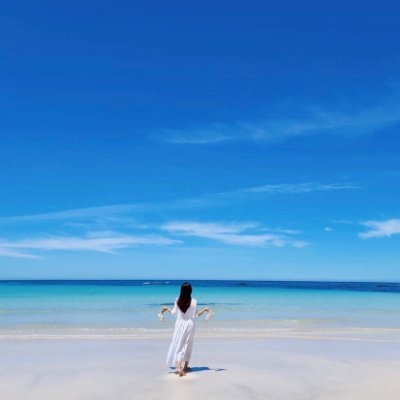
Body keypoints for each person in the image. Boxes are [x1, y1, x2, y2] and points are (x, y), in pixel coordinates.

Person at [159, 282, 212, 377]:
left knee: (178, 344)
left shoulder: (177, 300)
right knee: (188, 345)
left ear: (181, 290)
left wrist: (167, 309)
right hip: (190, 324)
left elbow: (174, 313)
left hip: (179, 324)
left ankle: (179, 368)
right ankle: (185, 367)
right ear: (190, 290)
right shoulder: (194, 301)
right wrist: (204, 310)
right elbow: (196, 316)